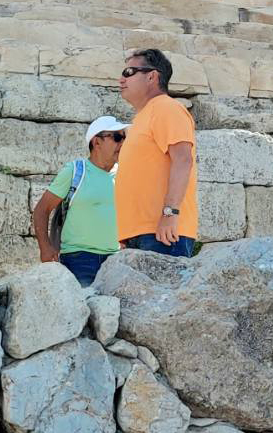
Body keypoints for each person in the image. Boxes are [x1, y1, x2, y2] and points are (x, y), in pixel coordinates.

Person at [115, 48, 199, 256]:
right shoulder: (143, 117)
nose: (121, 79)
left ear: (151, 76)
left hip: (162, 234)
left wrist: (170, 214)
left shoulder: (167, 108)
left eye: (128, 73)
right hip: (140, 235)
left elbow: (183, 160)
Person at [32, 116, 129, 287]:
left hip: (115, 262)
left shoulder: (124, 175)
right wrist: (45, 248)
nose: (123, 143)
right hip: (79, 260)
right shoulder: (76, 171)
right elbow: (42, 209)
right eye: (117, 137)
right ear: (97, 142)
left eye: (125, 137)